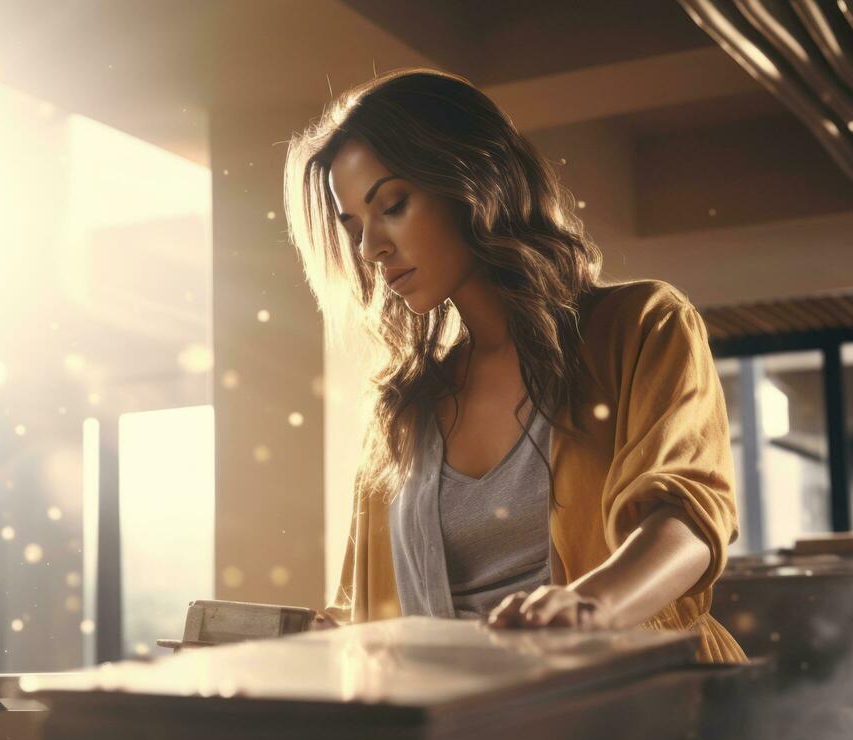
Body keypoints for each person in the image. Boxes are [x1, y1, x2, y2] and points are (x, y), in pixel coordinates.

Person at [284, 68, 745, 663]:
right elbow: (369, 608)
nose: (371, 248)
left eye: (392, 205)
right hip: (479, 728)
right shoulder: (402, 412)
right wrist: (330, 640)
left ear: (473, 181)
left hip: (648, 710)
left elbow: (688, 517)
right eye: (355, 228)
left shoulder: (642, 327)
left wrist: (591, 607)